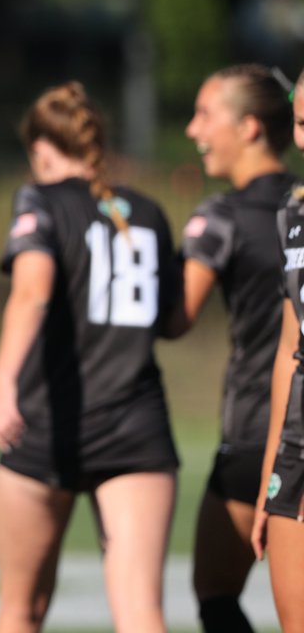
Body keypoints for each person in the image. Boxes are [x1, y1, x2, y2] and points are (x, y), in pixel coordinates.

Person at [0, 82, 182, 633]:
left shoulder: (38, 199)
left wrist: (2, 386)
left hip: (48, 423)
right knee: (142, 613)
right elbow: (170, 322)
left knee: (20, 610)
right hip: (136, 427)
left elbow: (33, 293)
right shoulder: (148, 211)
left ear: (41, 150)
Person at [179, 64, 295, 633]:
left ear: (249, 127)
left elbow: (173, 318)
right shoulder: (296, 205)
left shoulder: (222, 216)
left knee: (216, 591)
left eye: (205, 115)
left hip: (259, 432)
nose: (191, 130)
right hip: (283, 428)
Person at [252, 70, 304, 633]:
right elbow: (290, 349)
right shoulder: (295, 217)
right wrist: (271, 475)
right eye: (299, 122)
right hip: (297, 444)